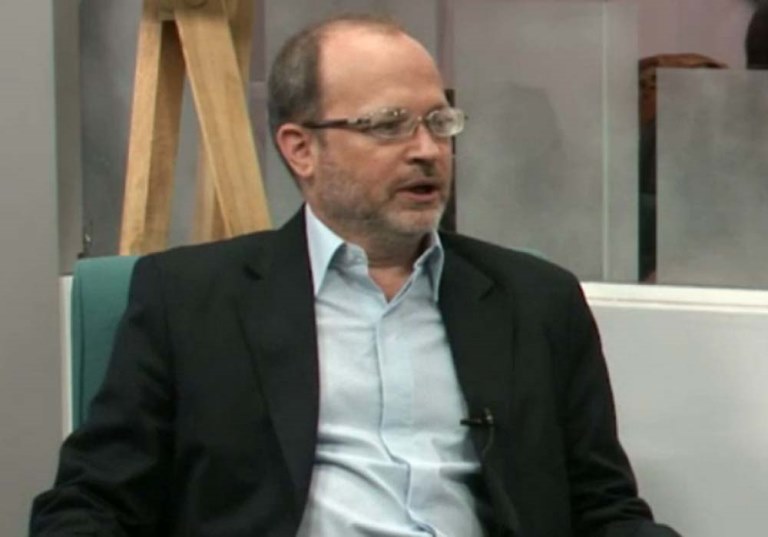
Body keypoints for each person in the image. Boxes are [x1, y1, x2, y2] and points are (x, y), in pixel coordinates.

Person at [31, 14, 680, 537]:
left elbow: (604, 508)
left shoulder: (537, 301)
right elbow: (90, 505)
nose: (427, 150)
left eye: (439, 122)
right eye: (388, 125)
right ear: (300, 149)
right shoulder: (190, 301)